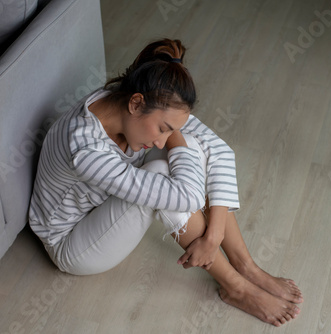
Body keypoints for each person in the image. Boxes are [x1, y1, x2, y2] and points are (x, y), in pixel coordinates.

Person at [28, 38, 303, 327]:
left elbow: (219, 151)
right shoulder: (84, 150)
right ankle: (236, 287)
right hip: (71, 242)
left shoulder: (130, 100)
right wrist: (176, 144)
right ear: (136, 104)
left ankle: (246, 267)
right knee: (165, 168)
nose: (161, 138)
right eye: (162, 128)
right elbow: (189, 196)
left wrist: (213, 238)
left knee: (190, 146)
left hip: (102, 204)